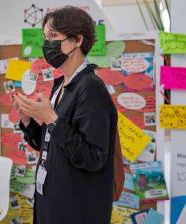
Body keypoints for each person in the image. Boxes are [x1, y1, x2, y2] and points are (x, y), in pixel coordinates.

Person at [12, 6, 118, 224]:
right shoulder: (61, 86)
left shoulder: (90, 88)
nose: (46, 44)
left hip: (76, 209)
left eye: (53, 36)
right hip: (51, 200)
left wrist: (52, 119)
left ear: (77, 40)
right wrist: (27, 119)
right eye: (45, 37)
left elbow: (93, 158)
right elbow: (51, 143)